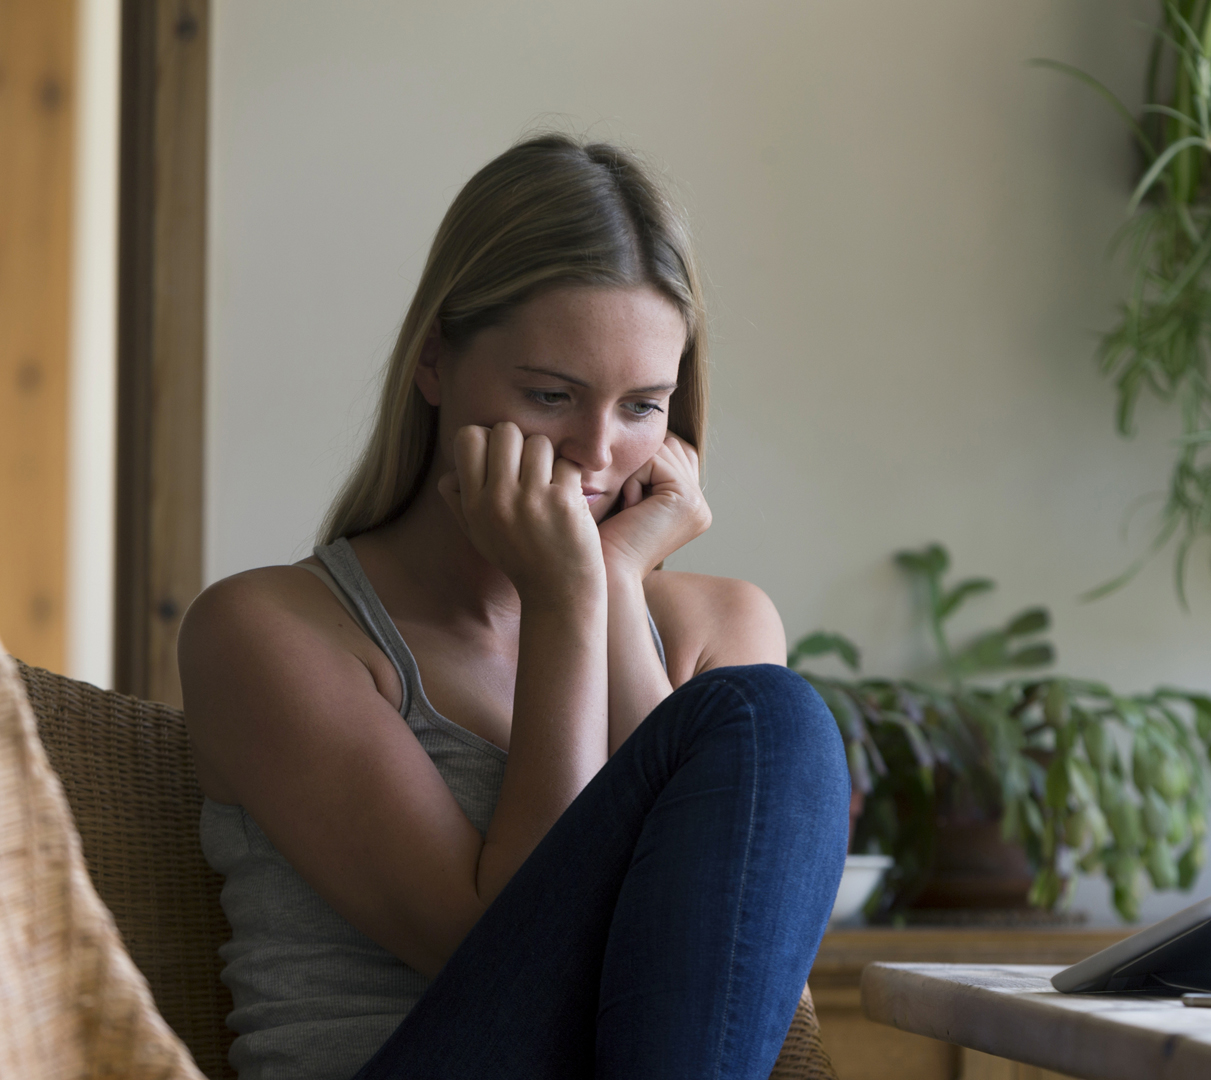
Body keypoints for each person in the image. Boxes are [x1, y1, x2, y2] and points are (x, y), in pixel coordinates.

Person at [178, 133, 850, 1080]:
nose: (596, 450)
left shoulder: (719, 627)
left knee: (765, 719)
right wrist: (570, 596)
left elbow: (700, 942)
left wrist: (615, 588)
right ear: (433, 365)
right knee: (757, 714)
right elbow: (501, 944)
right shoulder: (269, 633)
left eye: (642, 406)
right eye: (550, 395)